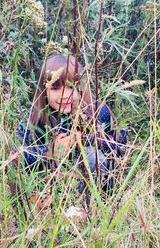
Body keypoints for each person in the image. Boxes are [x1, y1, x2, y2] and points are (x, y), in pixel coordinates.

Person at [18, 54, 127, 192]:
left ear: (80, 87)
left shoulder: (97, 110)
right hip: (50, 188)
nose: (64, 95)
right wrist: (48, 151)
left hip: (96, 189)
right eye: (55, 88)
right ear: (44, 91)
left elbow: (121, 142)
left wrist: (83, 140)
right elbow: (17, 155)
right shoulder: (35, 118)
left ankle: (95, 205)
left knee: (93, 157)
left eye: (70, 87)